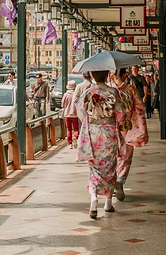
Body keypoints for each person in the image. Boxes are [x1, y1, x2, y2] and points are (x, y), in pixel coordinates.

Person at [76, 70, 126, 220]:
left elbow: (80, 111)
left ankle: (93, 200)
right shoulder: (113, 91)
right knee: (110, 167)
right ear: (105, 76)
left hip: (93, 133)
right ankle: (108, 203)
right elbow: (121, 114)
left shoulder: (87, 92)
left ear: (92, 75)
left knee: (94, 167)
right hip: (109, 133)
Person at [112, 68, 148, 201]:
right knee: (126, 155)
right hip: (127, 126)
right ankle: (120, 180)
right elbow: (140, 106)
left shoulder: (109, 89)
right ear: (125, 75)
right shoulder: (130, 89)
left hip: (111, 127)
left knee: (113, 154)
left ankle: (113, 181)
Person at [62, 80, 79, 149]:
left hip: (67, 114)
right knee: (76, 129)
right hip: (75, 114)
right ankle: (75, 137)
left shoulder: (66, 94)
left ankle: (70, 143)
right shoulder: (76, 94)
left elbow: (62, 104)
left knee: (68, 129)